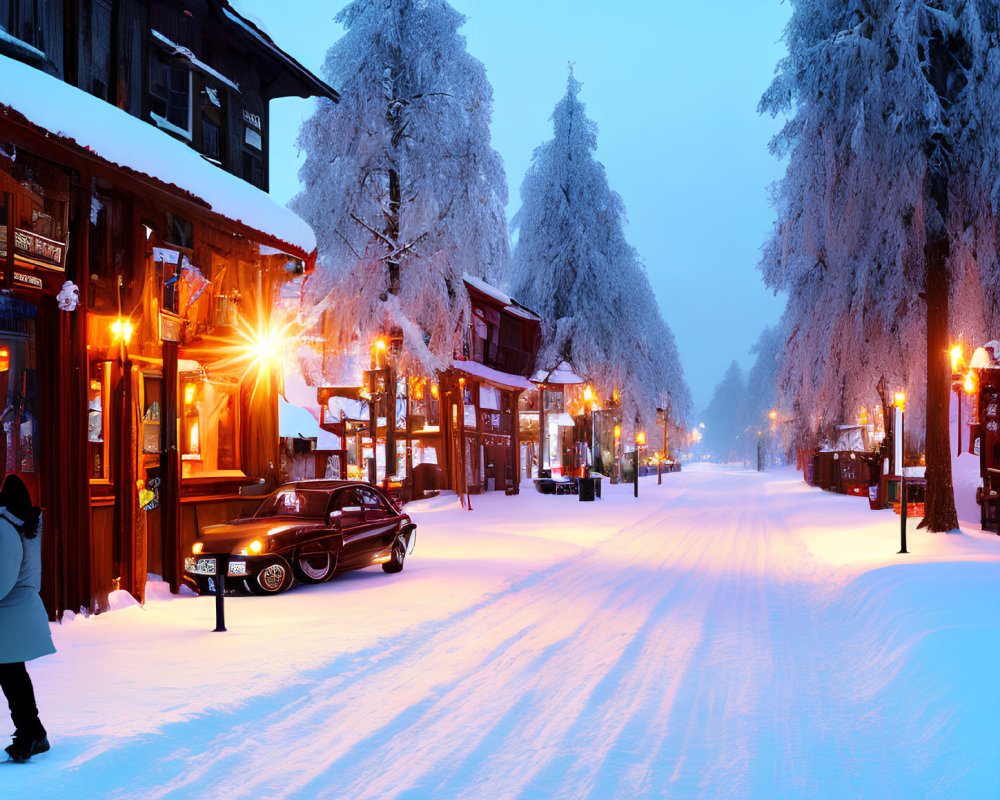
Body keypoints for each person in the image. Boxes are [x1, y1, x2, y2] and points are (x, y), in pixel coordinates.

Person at [0, 474, 53, 763]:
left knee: (12, 677)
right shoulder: (27, 525)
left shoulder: (5, 526)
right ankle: (32, 732)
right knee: (13, 676)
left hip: (8, 614)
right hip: (20, 610)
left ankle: (31, 733)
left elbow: (1, 579)